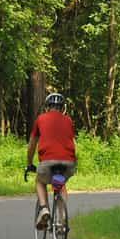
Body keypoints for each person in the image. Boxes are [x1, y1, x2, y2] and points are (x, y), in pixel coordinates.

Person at [25, 92, 77, 230]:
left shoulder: (40, 119)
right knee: (60, 184)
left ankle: (43, 208)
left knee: (40, 181)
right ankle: (62, 219)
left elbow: (32, 144)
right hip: (68, 162)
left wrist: (29, 163)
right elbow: (72, 142)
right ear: (62, 107)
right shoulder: (68, 120)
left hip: (47, 161)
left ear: (47, 107)